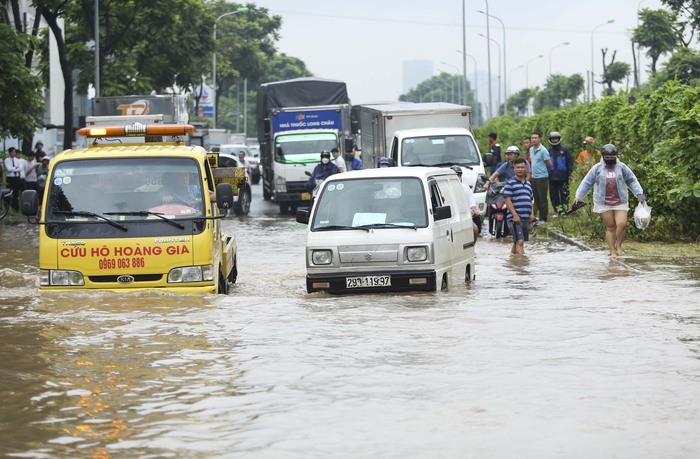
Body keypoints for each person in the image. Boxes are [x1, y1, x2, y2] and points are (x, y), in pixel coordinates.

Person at [573, 144, 645, 258]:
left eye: (612, 157)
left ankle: (619, 246)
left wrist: (640, 194)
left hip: (620, 200)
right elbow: (587, 182)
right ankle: (612, 251)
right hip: (603, 201)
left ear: (616, 156)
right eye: (607, 158)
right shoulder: (597, 168)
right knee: (610, 226)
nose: (610, 159)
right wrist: (579, 196)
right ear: (603, 156)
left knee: (622, 224)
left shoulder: (622, 167)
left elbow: (632, 180)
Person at [503, 158, 535, 255]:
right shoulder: (510, 183)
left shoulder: (528, 184)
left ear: (526, 168)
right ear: (514, 169)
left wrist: (532, 214)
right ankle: (522, 266)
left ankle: (513, 262)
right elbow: (507, 200)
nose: (520, 169)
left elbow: (531, 200)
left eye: (522, 167)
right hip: (515, 218)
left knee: (518, 241)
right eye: (518, 167)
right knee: (520, 241)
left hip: (526, 218)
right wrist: (514, 214)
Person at [451, 165, 482, 242]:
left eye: (458, 175)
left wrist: (475, 211)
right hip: (450, 217)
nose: (457, 177)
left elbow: (472, 205)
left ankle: (472, 246)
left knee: (475, 229)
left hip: (464, 216)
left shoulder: (466, 188)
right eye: (454, 175)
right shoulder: (444, 188)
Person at [547, 131, 573, 214]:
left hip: (563, 176)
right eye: (553, 139)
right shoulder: (548, 151)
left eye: (556, 139)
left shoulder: (564, 150)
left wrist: (569, 173)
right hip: (551, 177)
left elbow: (569, 162)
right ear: (550, 140)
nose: (554, 140)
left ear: (559, 139)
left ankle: (565, 209)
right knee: (553, 195)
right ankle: (558, 211)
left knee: (564, 194)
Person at [529, 130, 552, 222]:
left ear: (540, 139)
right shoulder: (531, 149)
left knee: (542, 198)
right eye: (532, 138)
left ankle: (544, 218)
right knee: (536, 198)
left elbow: (549, 164)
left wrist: (542, 170)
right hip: (534, 177)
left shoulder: (543, 150)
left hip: (542, 177)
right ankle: (536, 217)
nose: (533, 140)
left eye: (535, 138)